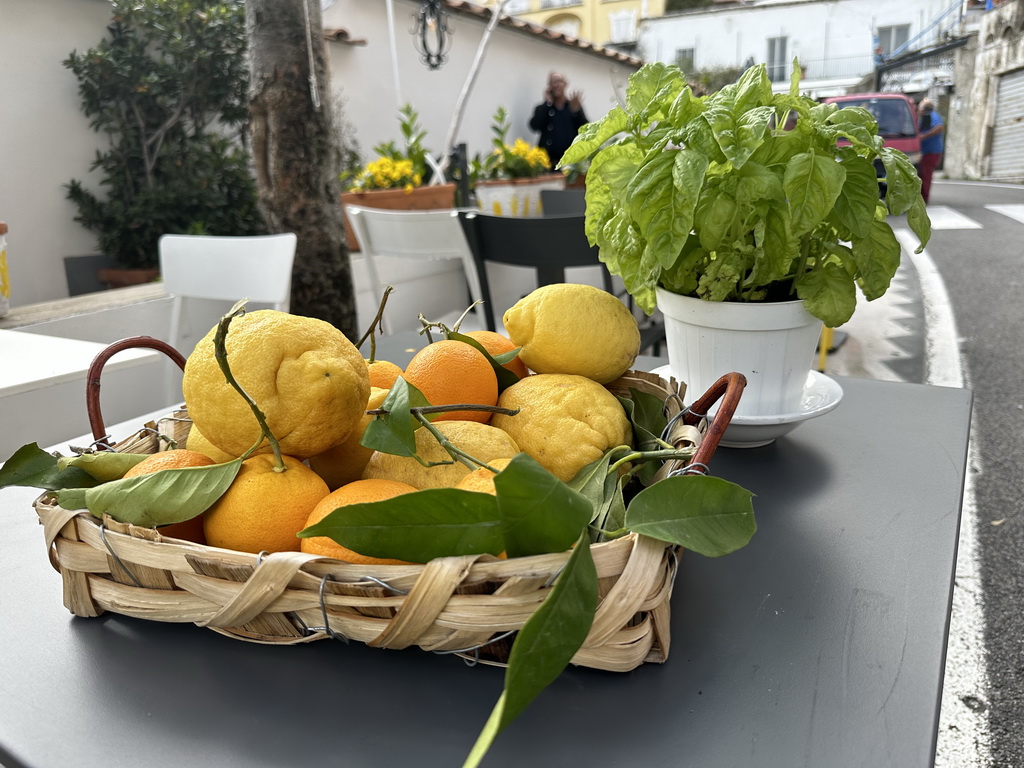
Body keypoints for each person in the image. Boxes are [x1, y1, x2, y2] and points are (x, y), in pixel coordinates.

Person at [529, 72, 588, 168]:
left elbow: (585, 129)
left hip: (568, 165)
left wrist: (576, 112)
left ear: (565, 84)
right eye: (552, 82)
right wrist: (547, 104)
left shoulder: (573, 106)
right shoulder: (543, 108)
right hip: (547, 164)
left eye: (558, 81)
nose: (555, 85)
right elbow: (534, 126)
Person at [917, 98, 945, 204]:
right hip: (925, 151)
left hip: (930, 152)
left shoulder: (932, 116)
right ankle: (921, 198)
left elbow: (939, 128)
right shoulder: (924, 118)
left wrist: (923, 136)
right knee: (922, 175)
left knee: (925, 175)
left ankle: (923, 199)